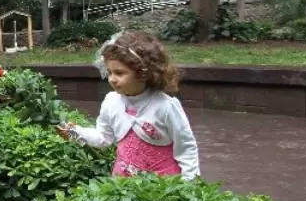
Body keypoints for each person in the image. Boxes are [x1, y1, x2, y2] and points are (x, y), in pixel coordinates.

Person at [58, 30, 200, 180]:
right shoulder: (111, 101)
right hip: (123, 183)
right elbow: (104, 137)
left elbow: (186, 149)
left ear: (143, 73)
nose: (112, 79)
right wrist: (74, 132)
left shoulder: (165, 107)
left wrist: (189, 185)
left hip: (162, 187)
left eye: (119, 73)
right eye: (109, 72)